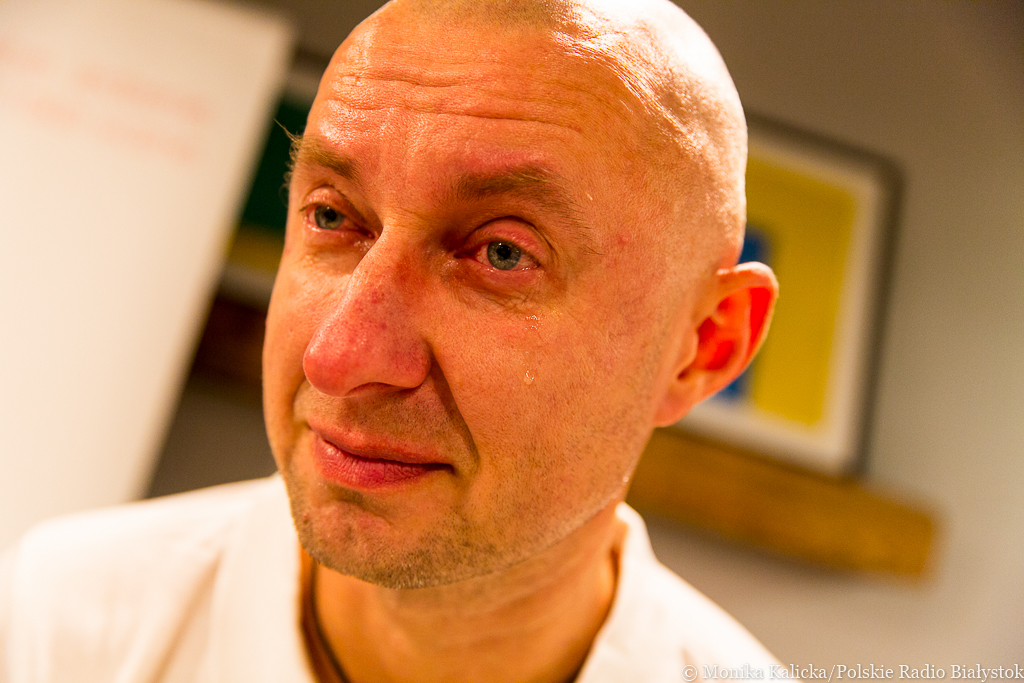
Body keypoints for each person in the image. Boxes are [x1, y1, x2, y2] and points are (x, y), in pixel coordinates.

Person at [0, 0, 780, 680]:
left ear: (704, 344)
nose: (337, 357)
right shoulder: (57, 629)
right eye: (332, 216)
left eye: (502, 252)